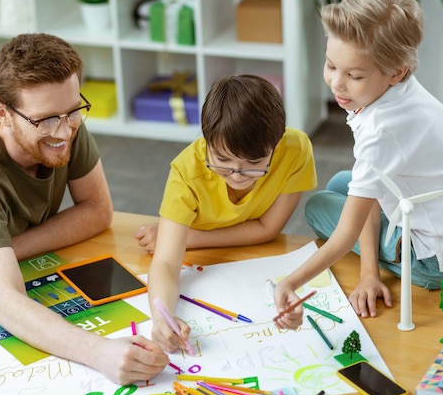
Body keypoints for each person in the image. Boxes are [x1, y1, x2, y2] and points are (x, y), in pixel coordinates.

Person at [0, 33, 169, 384]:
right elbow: (9, 307)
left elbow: (97, 211)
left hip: (9, 270)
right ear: (1, 113)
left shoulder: (62, 119)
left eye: (74, 111)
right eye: (45, 119)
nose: (64, 130)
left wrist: (7, 253)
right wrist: (100, 352)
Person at [272, 0, 443, 329]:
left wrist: (290, 282)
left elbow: (346, 234)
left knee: (319, 205)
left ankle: (388, 265)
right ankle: (382, 253)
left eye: (354, 75)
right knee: (341, 183)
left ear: (396, 72)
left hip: (441, 263)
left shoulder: (383, 131)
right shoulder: (404, 89)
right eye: (331, 65)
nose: (336, 82)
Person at [135, 74, 317, 352]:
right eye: (222, 160)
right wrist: (162, 318)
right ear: (206, 140)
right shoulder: (186, 171)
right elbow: (166, 264)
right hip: (207, 259)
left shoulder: (296, 149)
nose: (237, 175)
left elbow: (268, 229)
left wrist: (188, 238)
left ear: (276, 144)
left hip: (239, 251)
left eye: (254, 163)